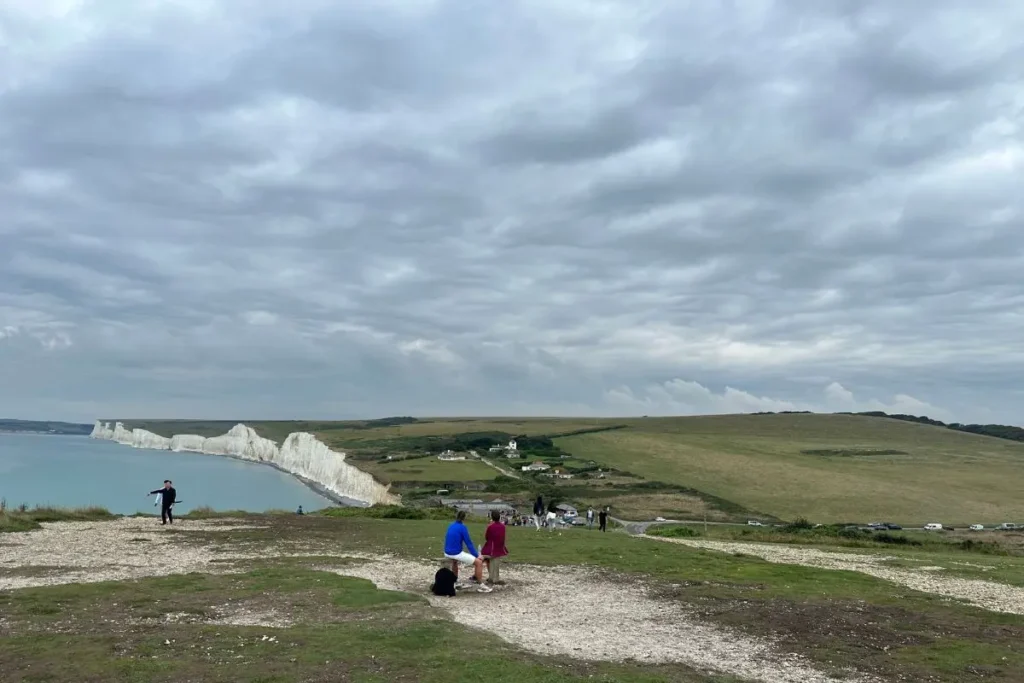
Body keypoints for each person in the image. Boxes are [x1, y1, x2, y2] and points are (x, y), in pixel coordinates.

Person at [443, 511, 492, 593]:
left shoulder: (451, 525)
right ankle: (480, 585)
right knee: (479, 563)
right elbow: (469, 544)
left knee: (455, 562)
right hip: (455, 553)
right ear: (464, 518)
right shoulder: (463, 528)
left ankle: (455, 582)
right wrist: (477, 556)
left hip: (447, 551)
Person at [480, 510, 509, 585]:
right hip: (499, 546)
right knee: (496, 562)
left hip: (491, 547)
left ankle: (492, 578)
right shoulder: (503, 526)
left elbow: (487, 537)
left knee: (492, 560)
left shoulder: (490, 526)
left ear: (492, 517)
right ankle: (495, 578)